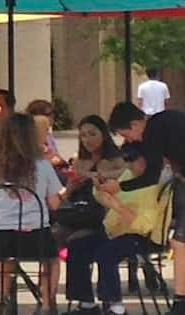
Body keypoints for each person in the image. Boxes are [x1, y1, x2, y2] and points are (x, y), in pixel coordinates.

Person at [109, 101, 185, 315]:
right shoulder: (170, 117)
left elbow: (151, 175)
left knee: (181, 241)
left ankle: (180, 302)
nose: (129, 140)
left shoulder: (153, 131)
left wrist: (119, 186)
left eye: (126, 133)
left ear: (137, 123)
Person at [0, 111, 64, 315]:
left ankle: (4, 297)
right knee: (52, 261)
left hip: (5, 236)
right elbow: (54, 204)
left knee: (6, 260)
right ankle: (47, 303)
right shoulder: (42, 165)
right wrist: (67, 190)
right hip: (37, 236)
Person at [62, 115, 126, 311]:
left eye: (92, 134)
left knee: (104, 250)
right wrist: (72, 185)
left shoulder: (117, 160)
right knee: (76, 245)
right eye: (83, 136)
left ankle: (114, 302)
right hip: (88, 218)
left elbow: (125, 180)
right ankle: (86, 302)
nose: (88, 140)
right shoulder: (80, 162)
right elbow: (67, 196)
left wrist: (94, 176)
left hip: (115, 219)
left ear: (104, 134)